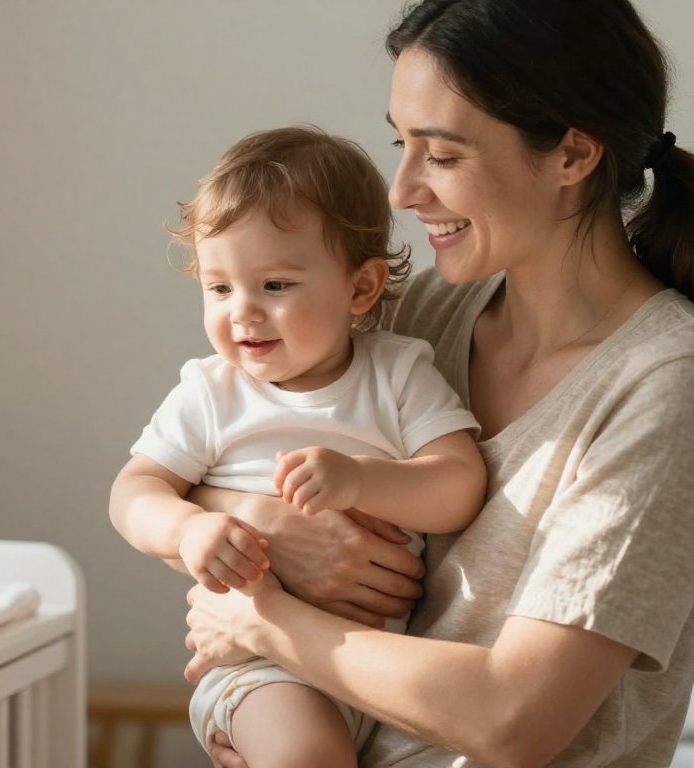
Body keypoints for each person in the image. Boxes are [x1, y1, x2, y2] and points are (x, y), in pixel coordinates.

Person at [183, 1, 694, 766]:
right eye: (403, 144)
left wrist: (263, 624)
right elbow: (197, 457)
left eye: (443, 155)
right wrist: (270, 523)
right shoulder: (419, 314)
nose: (400, 192)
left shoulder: (669, 386)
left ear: (573, 155)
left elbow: (514, 719)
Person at [109, 126, 486, 767]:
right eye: (220, 288)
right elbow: (132, 492)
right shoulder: (211, 391)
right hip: (261, 661)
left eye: (275, 286)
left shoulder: (397, 373)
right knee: (306, 756)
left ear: (361, 289)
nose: (242, 313)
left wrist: (363, 480)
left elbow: (459, 486)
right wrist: (189, 529)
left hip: (387, 670)